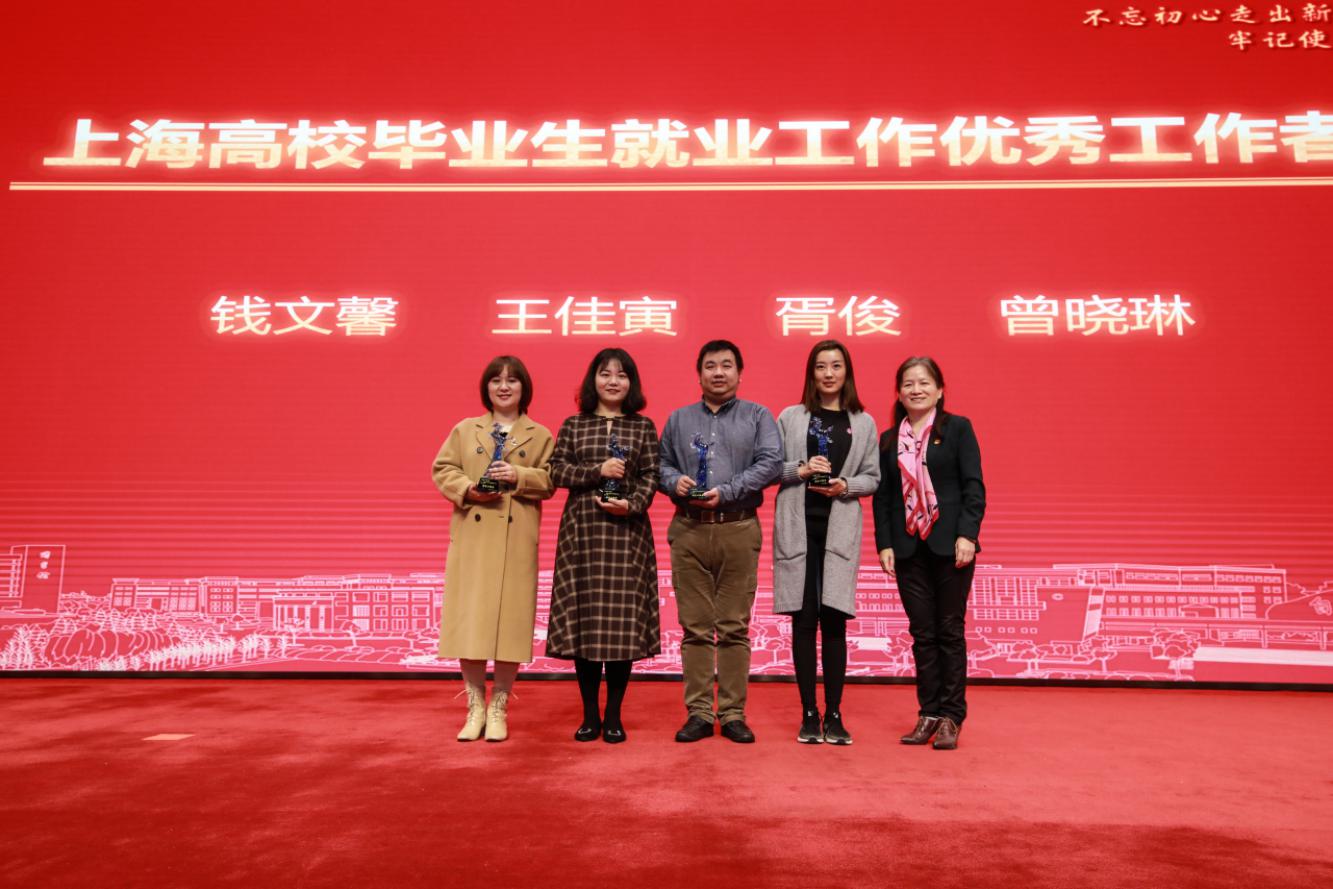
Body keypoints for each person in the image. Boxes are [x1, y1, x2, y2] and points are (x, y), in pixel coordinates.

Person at [659, 339, 782, 743]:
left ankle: (731, 714)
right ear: (699, 374)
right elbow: (660, 465)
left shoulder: (758, 416)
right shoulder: (679, 419)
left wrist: (727, 491)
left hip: (738, 526)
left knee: (733, 627)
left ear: (739, 374)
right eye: (710, 365)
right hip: (689, 528)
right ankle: (698, 713)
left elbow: (771, 464)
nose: (718, 373)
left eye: (726, 365)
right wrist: (673, 481)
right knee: (694, 627)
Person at [432, 355, 554, 743]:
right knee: (471, 621)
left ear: (524, 388)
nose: (504, 387)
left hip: (516, 539)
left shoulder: (540, 434)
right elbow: (443, 469)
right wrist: (468, 489)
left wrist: (519, 475)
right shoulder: (466, 429)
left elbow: (551, 480)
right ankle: (475, 706)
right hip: (473, 535)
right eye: (496, 380)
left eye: (512, 380)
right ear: (486, 388)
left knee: (510, 624)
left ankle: (499, 705)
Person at [547, 348, 661, 744]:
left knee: (620, 627)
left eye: (621, 374)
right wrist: (597, 471)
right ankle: (589, 714)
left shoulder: (642, 426)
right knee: (586, 623)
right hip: (582, 532)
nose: (613, 381)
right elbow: (556, 470)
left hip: (627, 532)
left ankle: (613, 713)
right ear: (592, 379)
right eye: (605, 373)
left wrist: (632, 504)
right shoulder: (574, 425)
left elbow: (651, 475)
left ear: (631, 383)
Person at [872, 356, 985, 750]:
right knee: (922, 634)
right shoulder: (889, 440)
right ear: (899, 392)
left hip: (951, 545)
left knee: (949, 631)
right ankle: (929, 712)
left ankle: (952, 715)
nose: (915, 389)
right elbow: (884, 497)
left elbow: (973, 487)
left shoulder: (958, 429)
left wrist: (967, 534)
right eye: (908, 383)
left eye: (923, 382)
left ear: (939, 390)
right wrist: (884, 543)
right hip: (908, 545)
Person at [772, 340, 880, 745]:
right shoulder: (791, 417)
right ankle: (808, 714)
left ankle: (834, 714)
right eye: (821, 366)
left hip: (840, 528)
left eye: (836, 366)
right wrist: (800, 470)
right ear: (811, 373)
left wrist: (845, 485)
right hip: (798, 527)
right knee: (803, 620)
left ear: (847, 371)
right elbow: (771, 468)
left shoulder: (863, 422)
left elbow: (873, 477)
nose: (829, 373)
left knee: (834, 620)